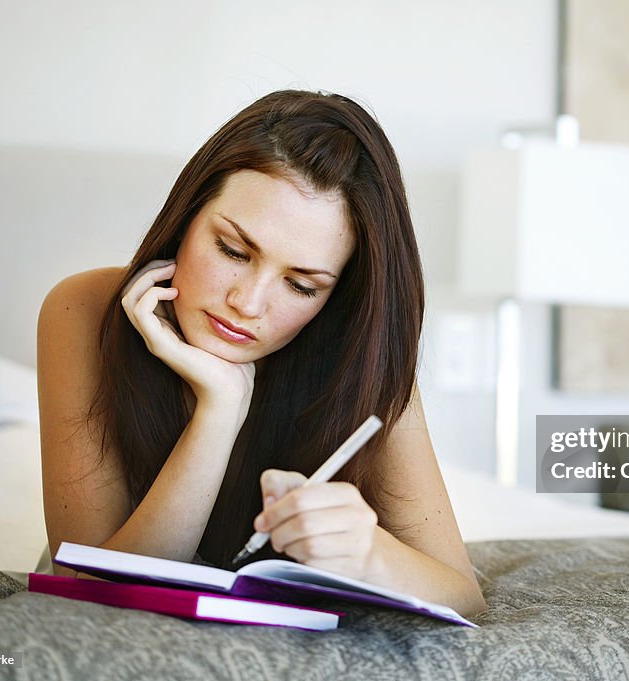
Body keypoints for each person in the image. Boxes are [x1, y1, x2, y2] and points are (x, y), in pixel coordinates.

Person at [37, 90, 486, 617]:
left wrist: (368, 553)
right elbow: (86, 588)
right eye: (231, 250)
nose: (246, 304)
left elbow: (464, 598)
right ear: (186, 216)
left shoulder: (360, 365)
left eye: (301, 286)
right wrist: (219, 410)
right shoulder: (85, 310)